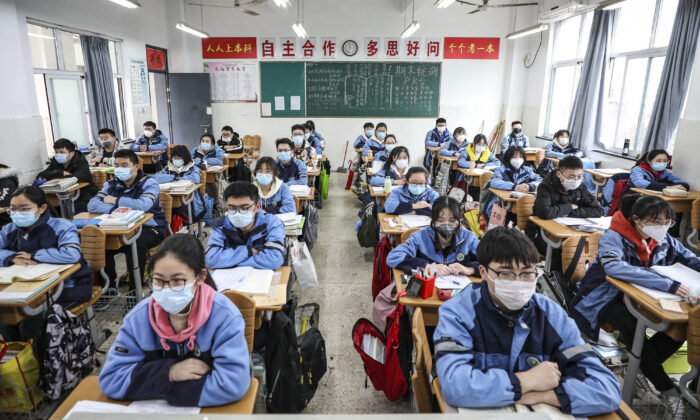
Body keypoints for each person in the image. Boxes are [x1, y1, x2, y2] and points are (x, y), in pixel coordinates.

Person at [434, 227, 621, 416]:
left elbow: (606, 390)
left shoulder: (552, 315)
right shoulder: (458, 313)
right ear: (483, 272)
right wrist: (526, 381)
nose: (518, 282)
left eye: (527, 273)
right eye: (506, 274)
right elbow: (455, 386)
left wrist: (544, 395)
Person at [571, 194, 700, 408]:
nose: (663, 227)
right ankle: (667, 389)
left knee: (680, 328)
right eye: (657, 222)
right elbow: (614, 267)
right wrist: (667, 284)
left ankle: (638, 371)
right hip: (604, 298)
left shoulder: (663, 238)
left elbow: (689, 259)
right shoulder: (614, 236)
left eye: (668, 222)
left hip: (644, 297)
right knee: (631, 324)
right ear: (637, 219)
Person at [99, 234, 251, 407]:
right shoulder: (139, 318)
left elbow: (233, 384)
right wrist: (169, 373)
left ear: (200, 277)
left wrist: (157, 387)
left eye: (177, 281)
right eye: (158, 280)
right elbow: (111, 379)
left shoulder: (224, 316)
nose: (166, 289)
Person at [0, 187, 93, 305]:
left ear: (42, 208)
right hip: (24, 286)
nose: (17, 214)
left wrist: (33, 255)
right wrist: (11, 257)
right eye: (13, 209)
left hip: (68, 286)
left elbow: (71, 254)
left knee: (33, 315)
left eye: (24, 209)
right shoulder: (9, 229)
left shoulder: (62, 226)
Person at [88, 149, 167, 286]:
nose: (119, 169)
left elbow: (143, 205)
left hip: (151, 227)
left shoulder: (149, 182)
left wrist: (116, 200)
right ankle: (108, 287)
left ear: (136, 167)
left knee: (135, 244)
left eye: (124, 165)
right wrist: (117, 210)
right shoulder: (110, 184)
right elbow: (92, 205)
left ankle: (134, 288)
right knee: (101, 241)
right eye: (117, 165)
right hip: (118, 227)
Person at [525, 156, 603, 261]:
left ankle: (571, 276)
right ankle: (556, 276)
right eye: (571, 176)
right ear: (559, 174)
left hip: (569, 231)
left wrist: (570, 213)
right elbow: (545, 212)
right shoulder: (545, 186)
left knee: (587, 249)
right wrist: (569, 207)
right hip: (540, 233)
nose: (576, 180)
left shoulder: (581, 187)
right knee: (567, 251)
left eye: (579, 176)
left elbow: (598, 210)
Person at [386, 196, 480, 276]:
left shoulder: (469, 238)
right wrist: (428, 267)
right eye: (441, 221)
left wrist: (469, 269)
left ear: (459, 221)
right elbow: (393, 257)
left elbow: (491, 261)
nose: (446, 225)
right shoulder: (420, 237)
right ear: (433, 221)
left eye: (452, 221)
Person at [206, 181, 285, 270]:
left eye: (244, 208)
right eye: (232, 208)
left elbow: (274, 260)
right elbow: (211, 259)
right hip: (231, 280)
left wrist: (229, 262)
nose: (238, 213)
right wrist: (248, 251)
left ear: (257, 207)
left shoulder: (272, 223)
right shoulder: (220, 226)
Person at [36, 138, 98, 212]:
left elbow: (75, 178)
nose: (58, 155)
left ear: (71, 154)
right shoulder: (56, 161)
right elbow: (42, 175)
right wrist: (60, 173)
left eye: (62, 152)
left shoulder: (81, 161)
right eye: (56, 152)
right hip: (61, 196)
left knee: (63, 210)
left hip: (84, 196)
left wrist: (54, 177)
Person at [484, 146, 541, 219]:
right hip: (501, 204)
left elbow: (540, 180)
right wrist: (515, 187)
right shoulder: (500, 170)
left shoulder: (527, 170)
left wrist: (529, 186)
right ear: (508, 158)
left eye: (521, 157)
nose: (518, 160)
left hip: (521, 204)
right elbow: (494, 182)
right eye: (514, 157)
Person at [154, 145, 206, 225]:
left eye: (179, 158)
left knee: (180, 210)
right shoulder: (168, 168)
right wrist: (174, 177)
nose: (176, 160)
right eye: (174, 158)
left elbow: (195, 178)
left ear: (185, 158)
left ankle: (182, 227)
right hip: (171, 194)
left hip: (192, 201)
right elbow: (156, 177)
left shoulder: (192, 167)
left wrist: (177, 179)